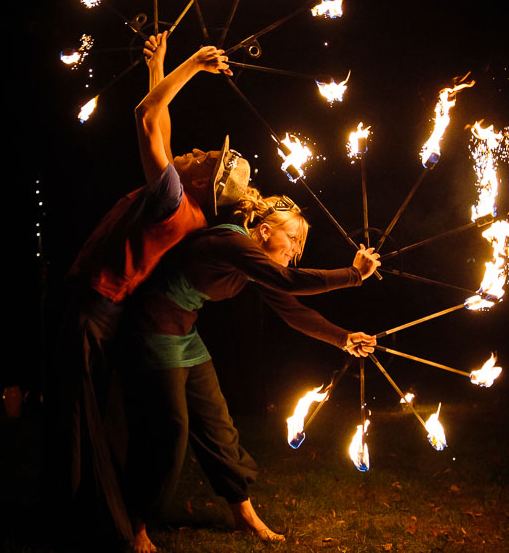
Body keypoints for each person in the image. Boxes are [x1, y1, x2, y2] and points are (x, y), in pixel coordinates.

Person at [47, 33, 250, 544]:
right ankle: (86, 511)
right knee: (94, 414)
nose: (200, 152)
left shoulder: (171, 196)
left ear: (204, 180)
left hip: (93, 307)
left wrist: (192, 65)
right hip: (107, 306)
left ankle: (89, 518)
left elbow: (144, 117)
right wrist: (159, 67)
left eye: (209, 158)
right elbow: (158, 117)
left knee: (80, 414)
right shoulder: (187, 198)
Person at [122, 191, 380, 552]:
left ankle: (244, 515)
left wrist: (344, 339)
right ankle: (136, 525)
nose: (294, 250)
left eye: (299, 243)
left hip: (184, 333)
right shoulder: (231, 241)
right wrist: (354, 275)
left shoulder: (253, 262)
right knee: (169, 429)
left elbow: (292, 310)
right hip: (154, 325)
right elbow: (290, 282)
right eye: (291, 239)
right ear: (261, 230)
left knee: (217, 425)